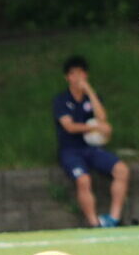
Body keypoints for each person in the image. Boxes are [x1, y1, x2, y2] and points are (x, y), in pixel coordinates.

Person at [53, 55, 130, 228]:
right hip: (70, 150)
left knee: (122, 170)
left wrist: (89, 91)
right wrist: (94, 128)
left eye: (81, 73)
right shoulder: (61, 100)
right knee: (84, 180)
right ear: (67, 77)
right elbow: (69, 126)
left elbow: (102, 118)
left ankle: (114, 218)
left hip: (92, 149)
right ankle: (94, 223)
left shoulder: (92, 98)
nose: (78, 77)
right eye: (73, 74)